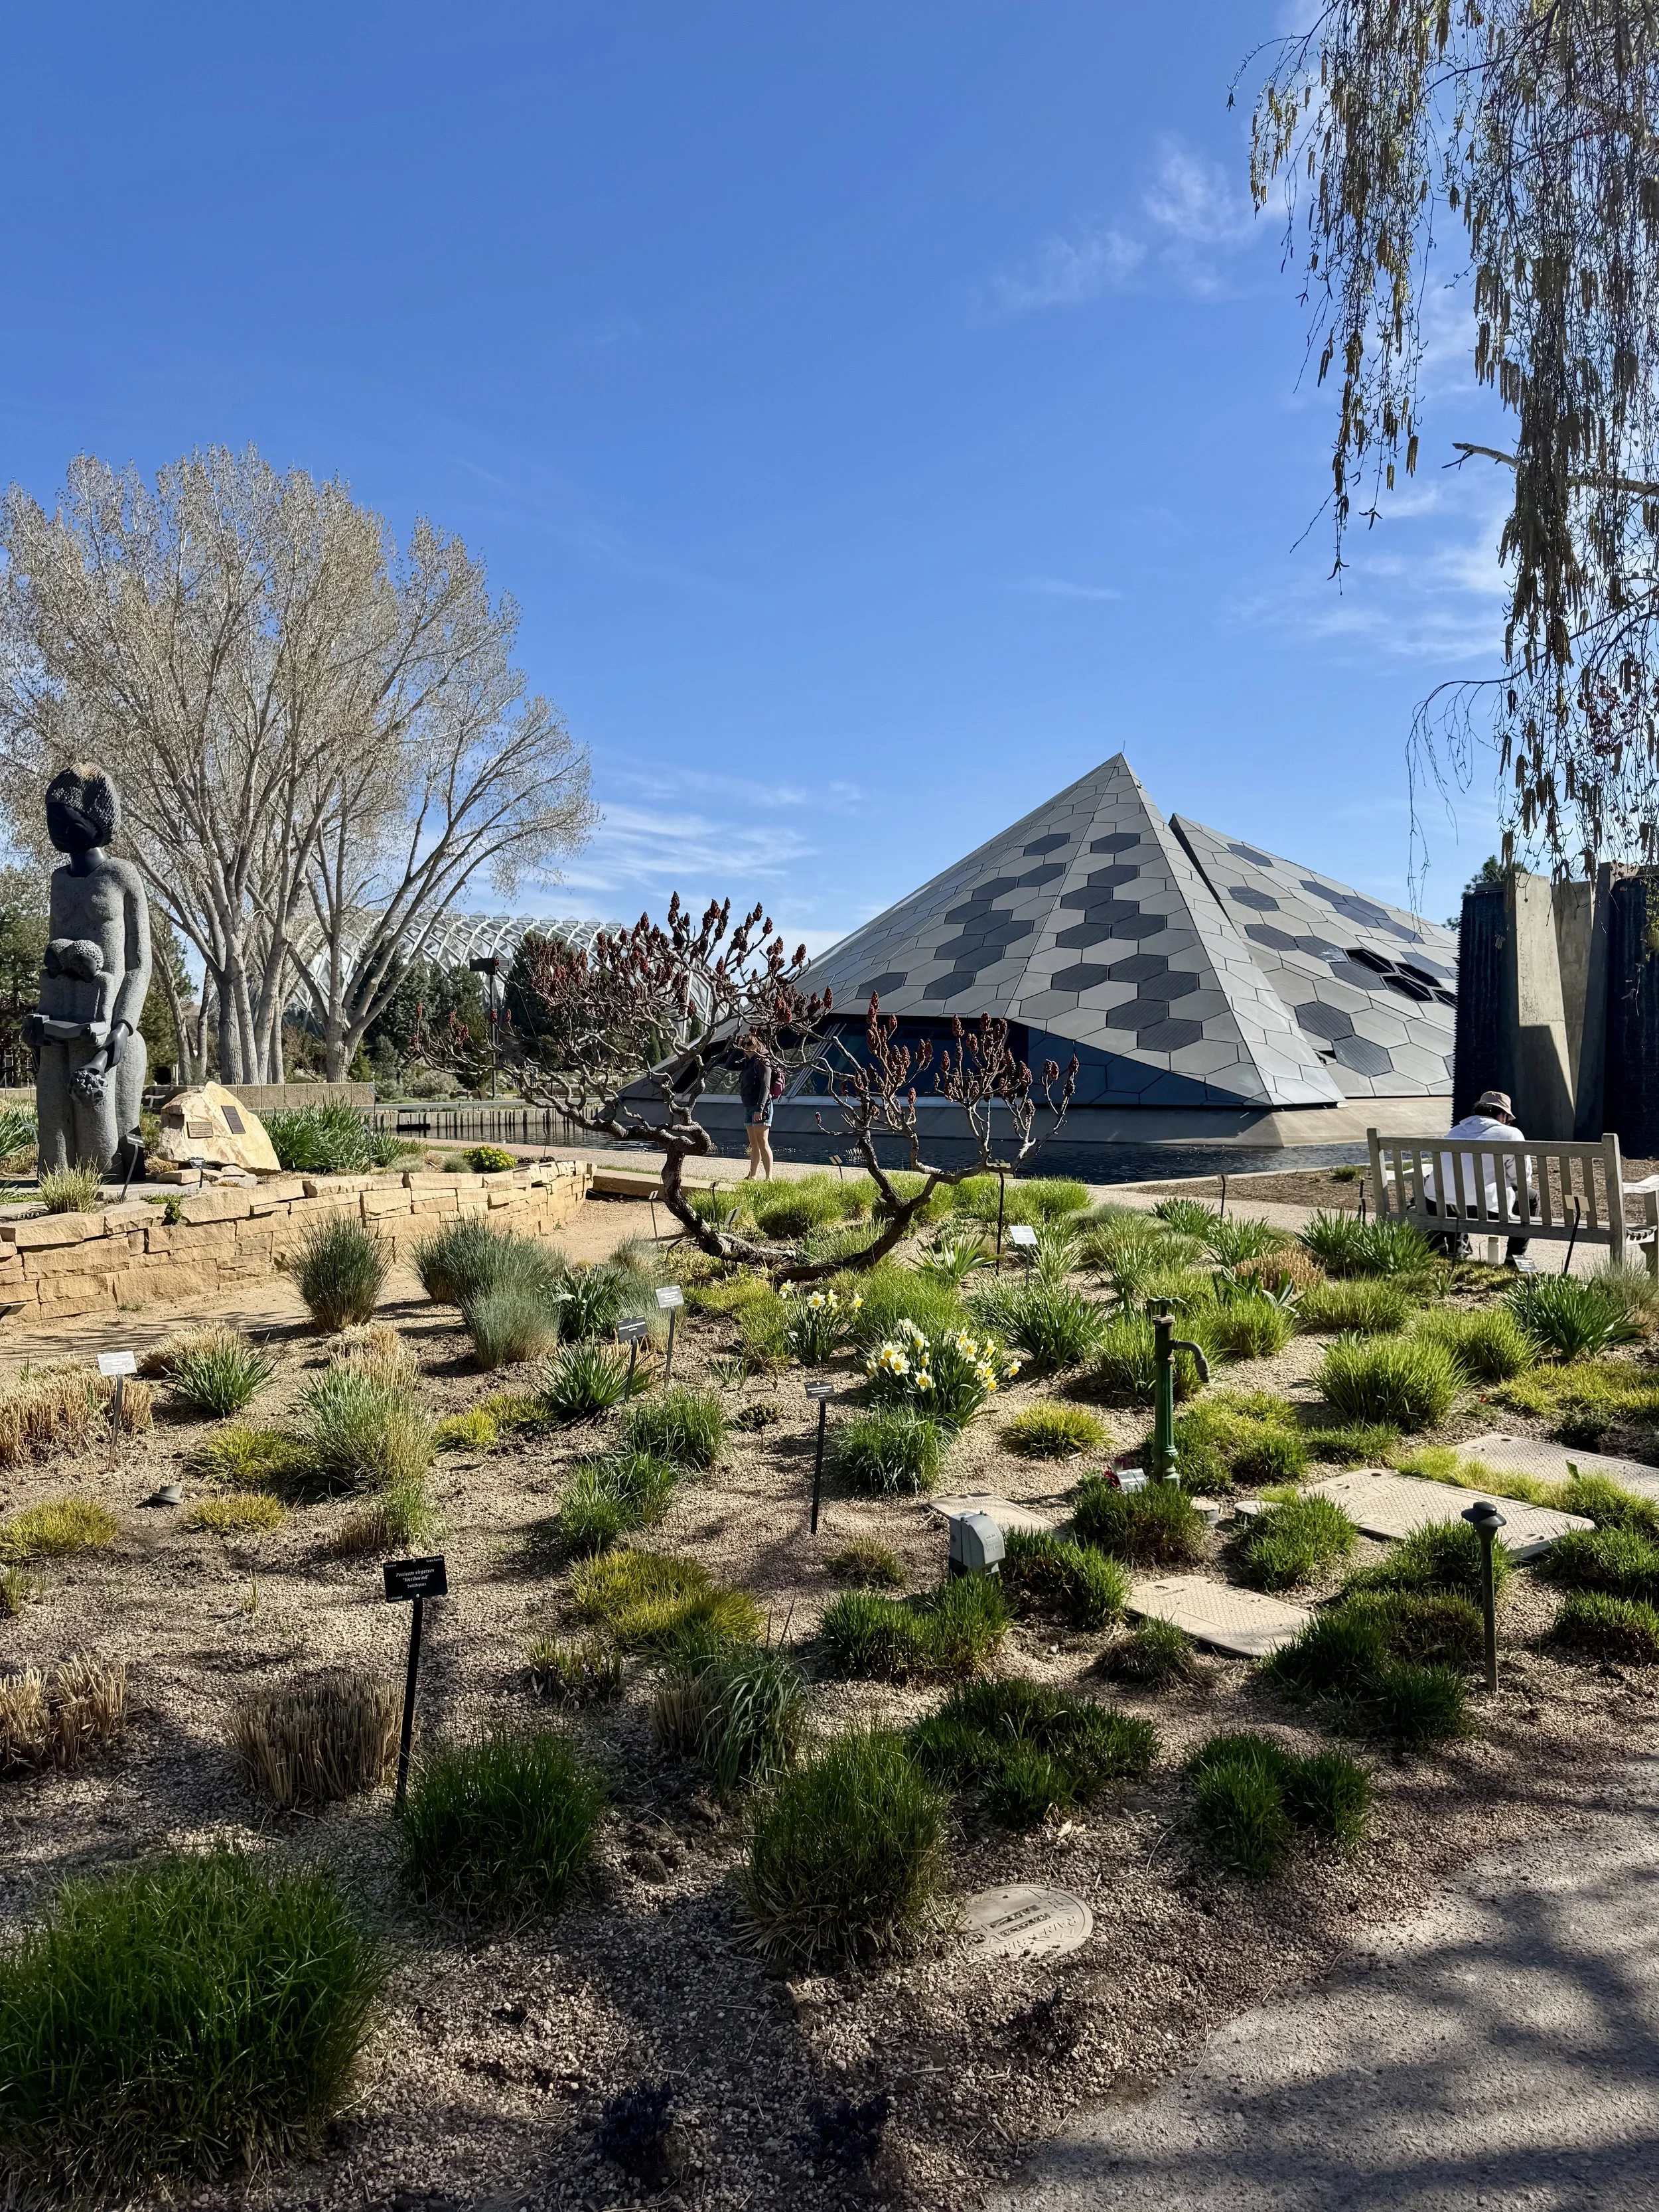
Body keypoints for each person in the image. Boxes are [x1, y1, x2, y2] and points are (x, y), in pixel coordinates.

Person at [1425, 1089, 1538, 1268]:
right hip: (1488, 1210)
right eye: (1508, 1118)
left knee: (1456, 1191)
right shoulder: (1512, 1135)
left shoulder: (1455, 1131)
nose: (1508, 1122)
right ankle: (1513, 1260)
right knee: (1531, 1196)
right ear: (1502, 1115)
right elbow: (1522, 1181)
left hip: (1445, 1208)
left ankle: (1457, 1249)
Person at [738, 1034, 775, 1182]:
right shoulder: (748, 1062)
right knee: (754, 1143)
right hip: (749, 1106)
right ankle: (752, 1175)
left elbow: (765, 1088)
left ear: (758, 1045)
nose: (746, 1047)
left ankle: (769, 1178)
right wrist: (739, 1046)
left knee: (762, 1141)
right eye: (745, 1044)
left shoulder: (763, 1061)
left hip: (761, 1107)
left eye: (749, 1044)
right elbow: (728, 1065)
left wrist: (760, 1109)